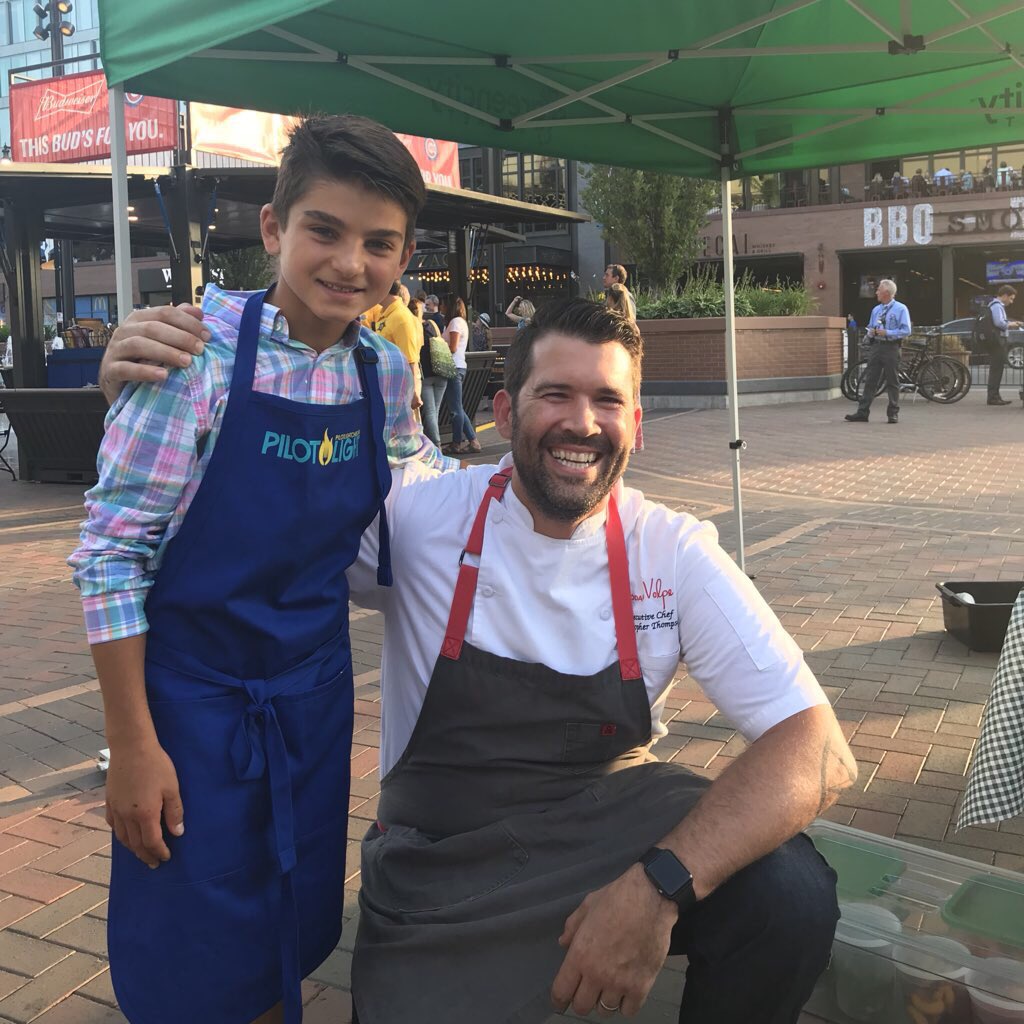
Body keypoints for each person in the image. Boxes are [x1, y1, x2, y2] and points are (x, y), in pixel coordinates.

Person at [347, 298, 852, 1024]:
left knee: (789, 895)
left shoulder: (669, 549)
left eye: (607, 400)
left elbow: (819, 750)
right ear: (503, 410)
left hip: (612, 833)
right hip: (443, 860)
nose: (582, 423)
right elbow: (252, 529)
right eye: (555, 394)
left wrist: (657, 886)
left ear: (636, 425)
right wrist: (184, 367)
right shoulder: (417, 519)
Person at [70, 113, 457, 1024]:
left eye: (379, 243)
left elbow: (424, 481)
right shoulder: (190, 357)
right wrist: (131, 744)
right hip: (192, 710)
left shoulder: (383, 373)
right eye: (324, 230)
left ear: (403, 256)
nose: (350, 264)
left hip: (314, 697)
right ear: (275, 229)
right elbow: (111, 558)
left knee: (289, 915)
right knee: (191, 944)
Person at [845, 278, 911, 425]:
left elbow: (906, 330)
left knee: (892, 380)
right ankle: (862, 412)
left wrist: (887, 332)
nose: (876, 292)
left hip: (891, 347)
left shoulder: (901, 309)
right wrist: (871, 333)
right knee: (870, 380)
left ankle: (893, 413)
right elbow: (871, 326)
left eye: (879, 290)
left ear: (886, 293)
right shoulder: (876, 309)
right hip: (877, 346)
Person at [441, 294, 480, 454]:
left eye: (443, 304)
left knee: (455, 409)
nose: (441, 307)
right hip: (458, 366)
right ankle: (473, 441)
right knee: (457, 407)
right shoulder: (460, 322)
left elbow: (453, 347)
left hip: (453, 367)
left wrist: (438, 343)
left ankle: (457, 443)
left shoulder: (455, 322)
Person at [377, 281, 423, 413]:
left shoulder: (401, 317)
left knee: (405, 432)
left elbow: (410, 360)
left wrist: (414, 393)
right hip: (388, 388)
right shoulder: (386, 314)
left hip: (399, 391)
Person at [410, 296, 448, 446]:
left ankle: (436, 447)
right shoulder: (432, 324)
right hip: (441, 372)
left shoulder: (412, 328)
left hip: (425, 374)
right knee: (435, 412)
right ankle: (435, 444)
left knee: (430, 413)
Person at [979, 284, 1020, 405]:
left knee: (996, 368)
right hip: (997, 341)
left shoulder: (992, 305)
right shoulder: (997, 306)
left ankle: (995, 396)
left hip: (995, 341)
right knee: (997, 369)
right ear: (1005, 295)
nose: (1011, 302)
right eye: (1011, 298)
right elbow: (999, 323)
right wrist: (1012, 324)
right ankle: (993, 397)